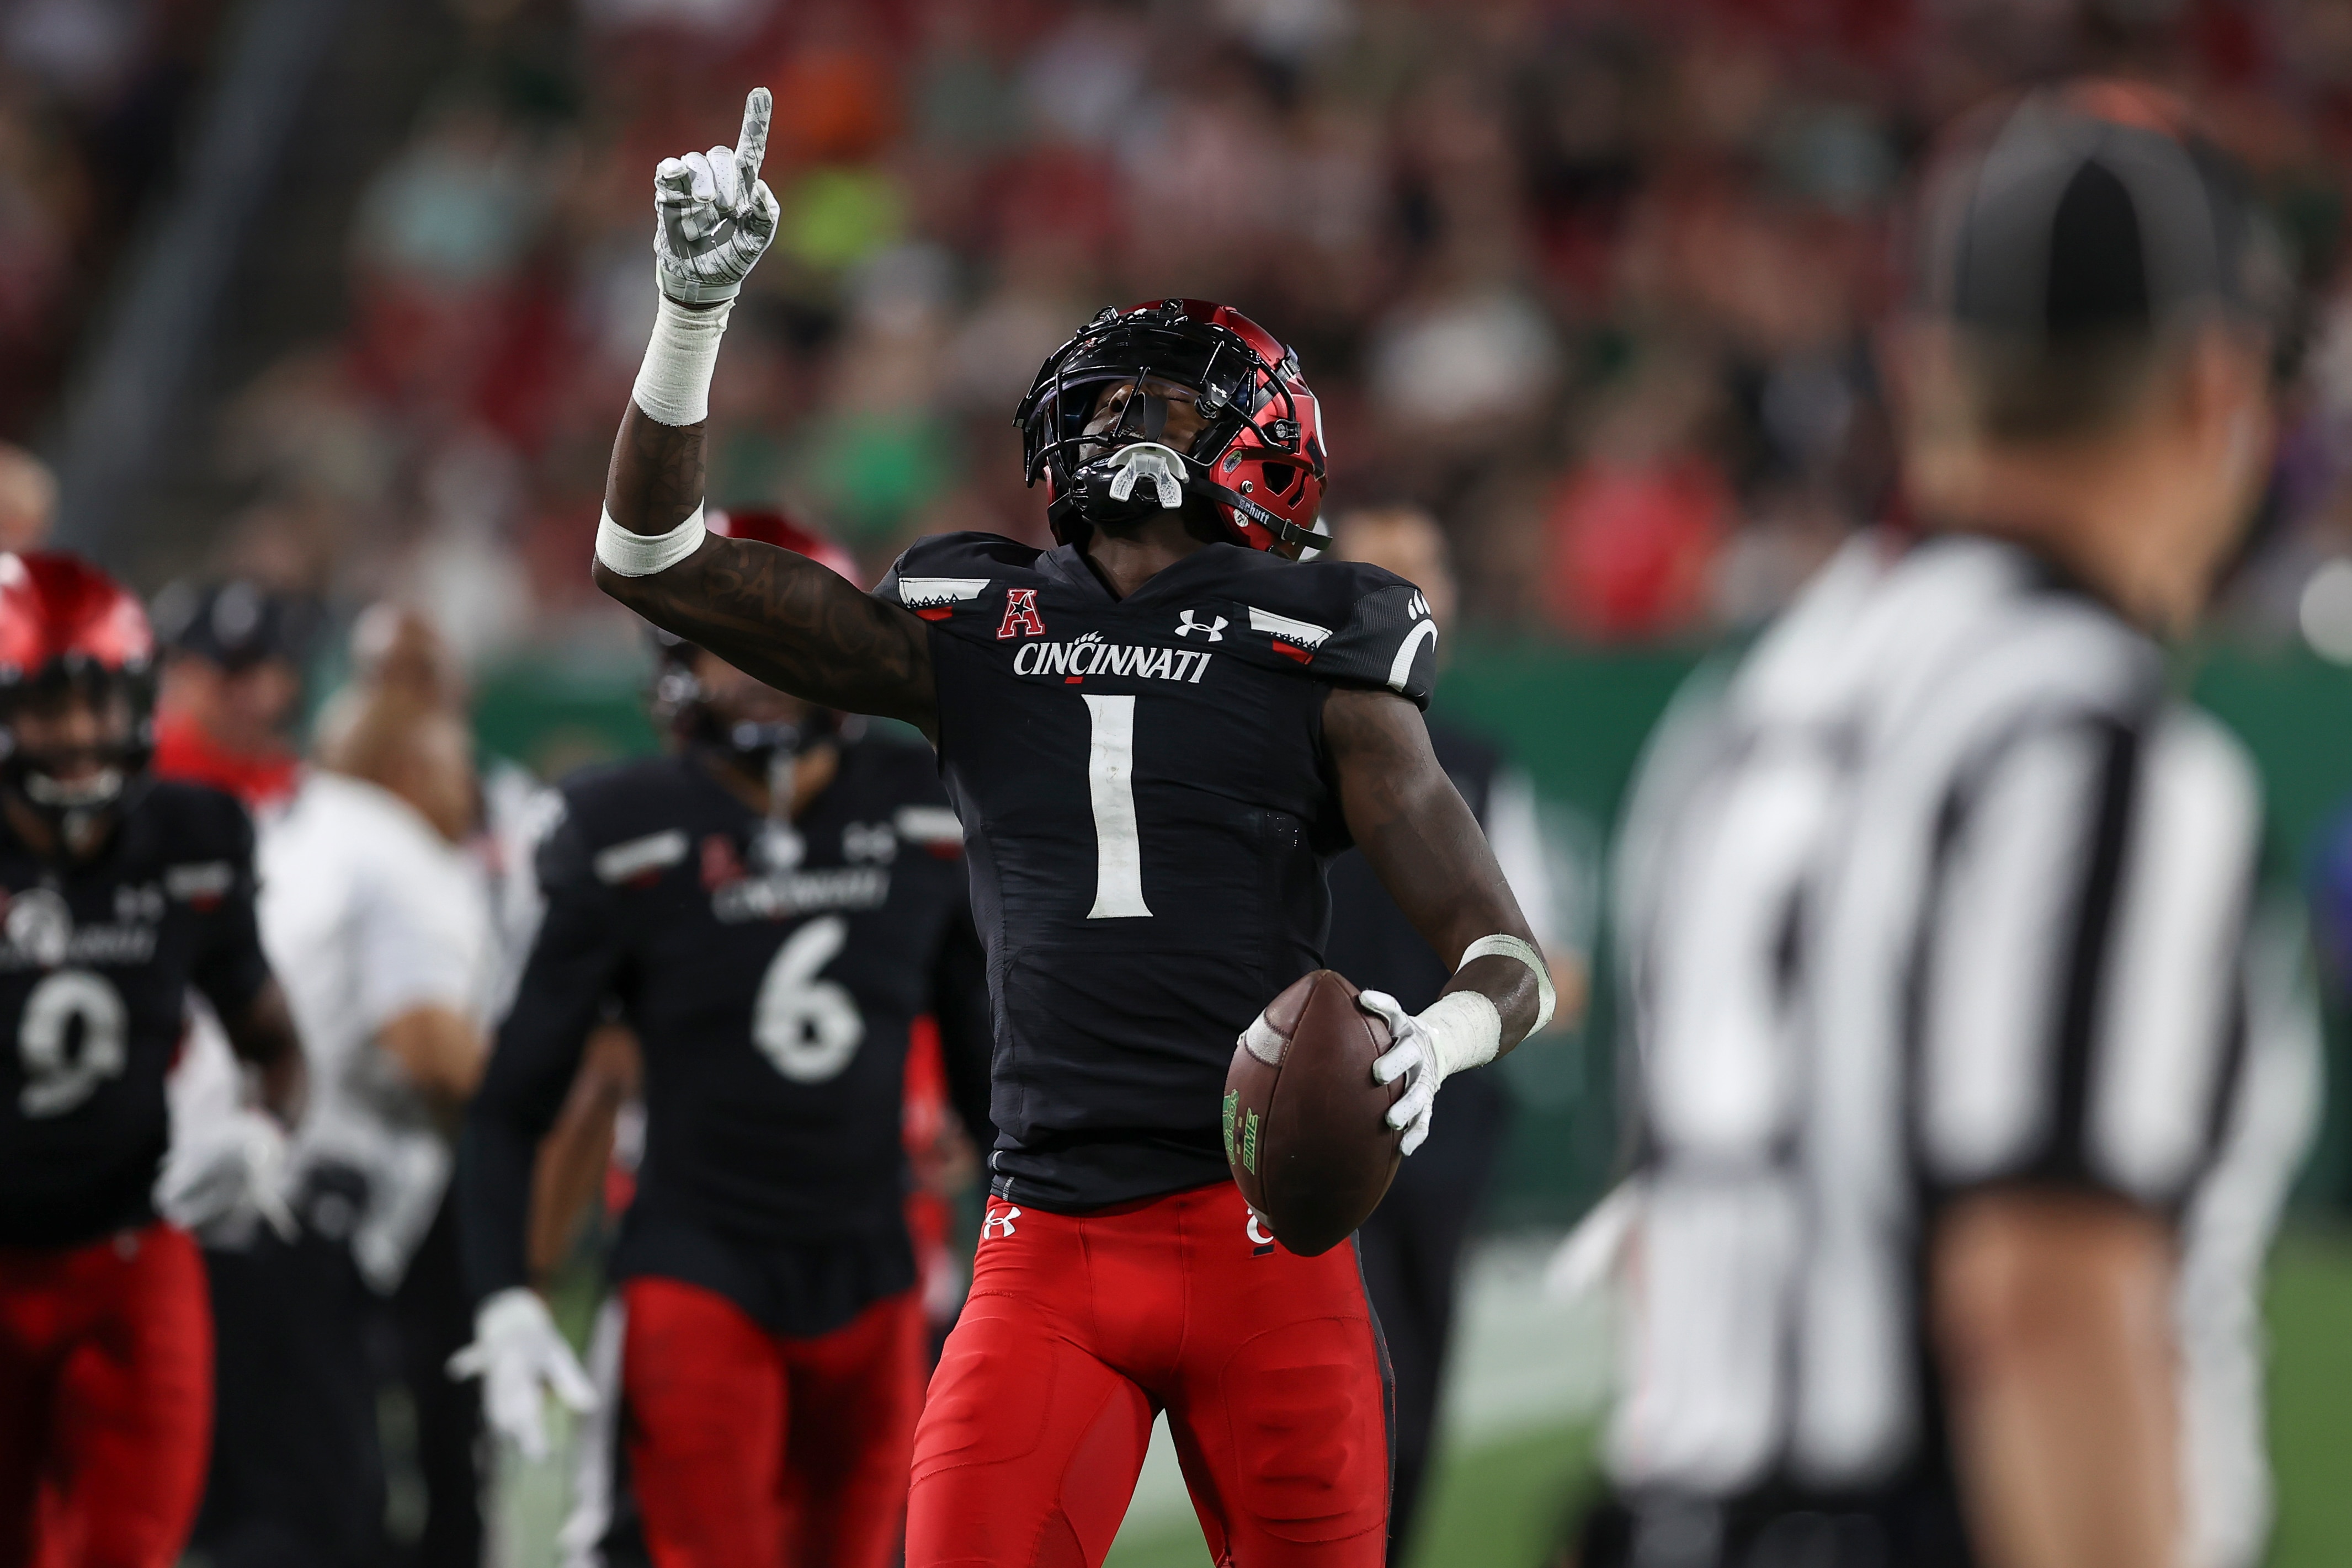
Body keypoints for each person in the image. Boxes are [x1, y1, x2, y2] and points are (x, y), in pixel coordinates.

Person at [584, 90, 1553, 1564]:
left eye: (1171, 404)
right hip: (1045, 1239)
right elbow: (648, 558)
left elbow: (1507, 960)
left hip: (1261, 1240)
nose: (1128, 425)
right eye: (1109, 402)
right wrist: (690, 315)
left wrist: (1435, 1042)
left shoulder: (1321, 640)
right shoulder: (970, 620)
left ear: (1266, 450)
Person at [1584, 83, 2314, 1568]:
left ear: (1918, 371)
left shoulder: (1740, 715)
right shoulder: (2086, 746)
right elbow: (2039, 1293)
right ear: (2213, 393)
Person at [454, 508, 996, 1568]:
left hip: (875, 1264)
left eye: (780, 639)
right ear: (677, 660)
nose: (756, 671)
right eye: (725, 639)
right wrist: (505, 1295)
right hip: (698, 1266)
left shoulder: (922, 805)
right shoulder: (623, 827)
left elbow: (989, 1065)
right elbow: (517, 1092)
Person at [0, 552, 305, 1567]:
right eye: (48, 707)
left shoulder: (192, 834)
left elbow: (274, 1042)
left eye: (101, 702)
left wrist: (264, 1132)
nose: (81, 736)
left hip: (128, 1253)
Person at [1322, 504, 1582, 1565]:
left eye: (1430, 575)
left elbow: (1547, 966)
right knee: (1357, 1387)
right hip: (1318, 1122)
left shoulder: (1475, 762)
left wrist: (1485, 1016)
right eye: (1388, 574)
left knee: (1421, 1390)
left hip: (1446, 1125)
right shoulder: (1283, 750)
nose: (1415, 598)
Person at [192, 681, 494, 1568]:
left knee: (233, 1506)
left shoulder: (292, 823)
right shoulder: (395, 847)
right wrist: (539, 1106)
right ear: (407, 769)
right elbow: (427, 1044)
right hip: (293, 1205)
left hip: (211, 1200)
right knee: (312, 1515)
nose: (470, 791)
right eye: (457, 767)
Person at [148, 579, 316, 817]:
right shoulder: (147, 767)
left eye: (252, 674)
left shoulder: (300, 783)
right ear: (183, 673)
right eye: (225, 673)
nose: (239, 692)